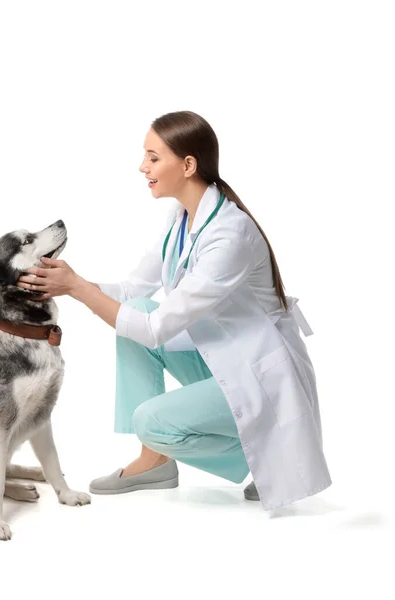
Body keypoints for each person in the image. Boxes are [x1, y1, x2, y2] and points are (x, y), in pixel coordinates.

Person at [17, 110, 331, 510]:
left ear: (187, 165)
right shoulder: (182, 216)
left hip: (258, 374)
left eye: (152, 157)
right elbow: (133, 290)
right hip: (226, 354)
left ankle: (255, 453)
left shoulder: (229, 234)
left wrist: (76, 288)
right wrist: (68, 280)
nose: (142, 167)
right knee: (134, 307)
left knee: (149, 417)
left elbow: (155, 329)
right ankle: (154, 461)